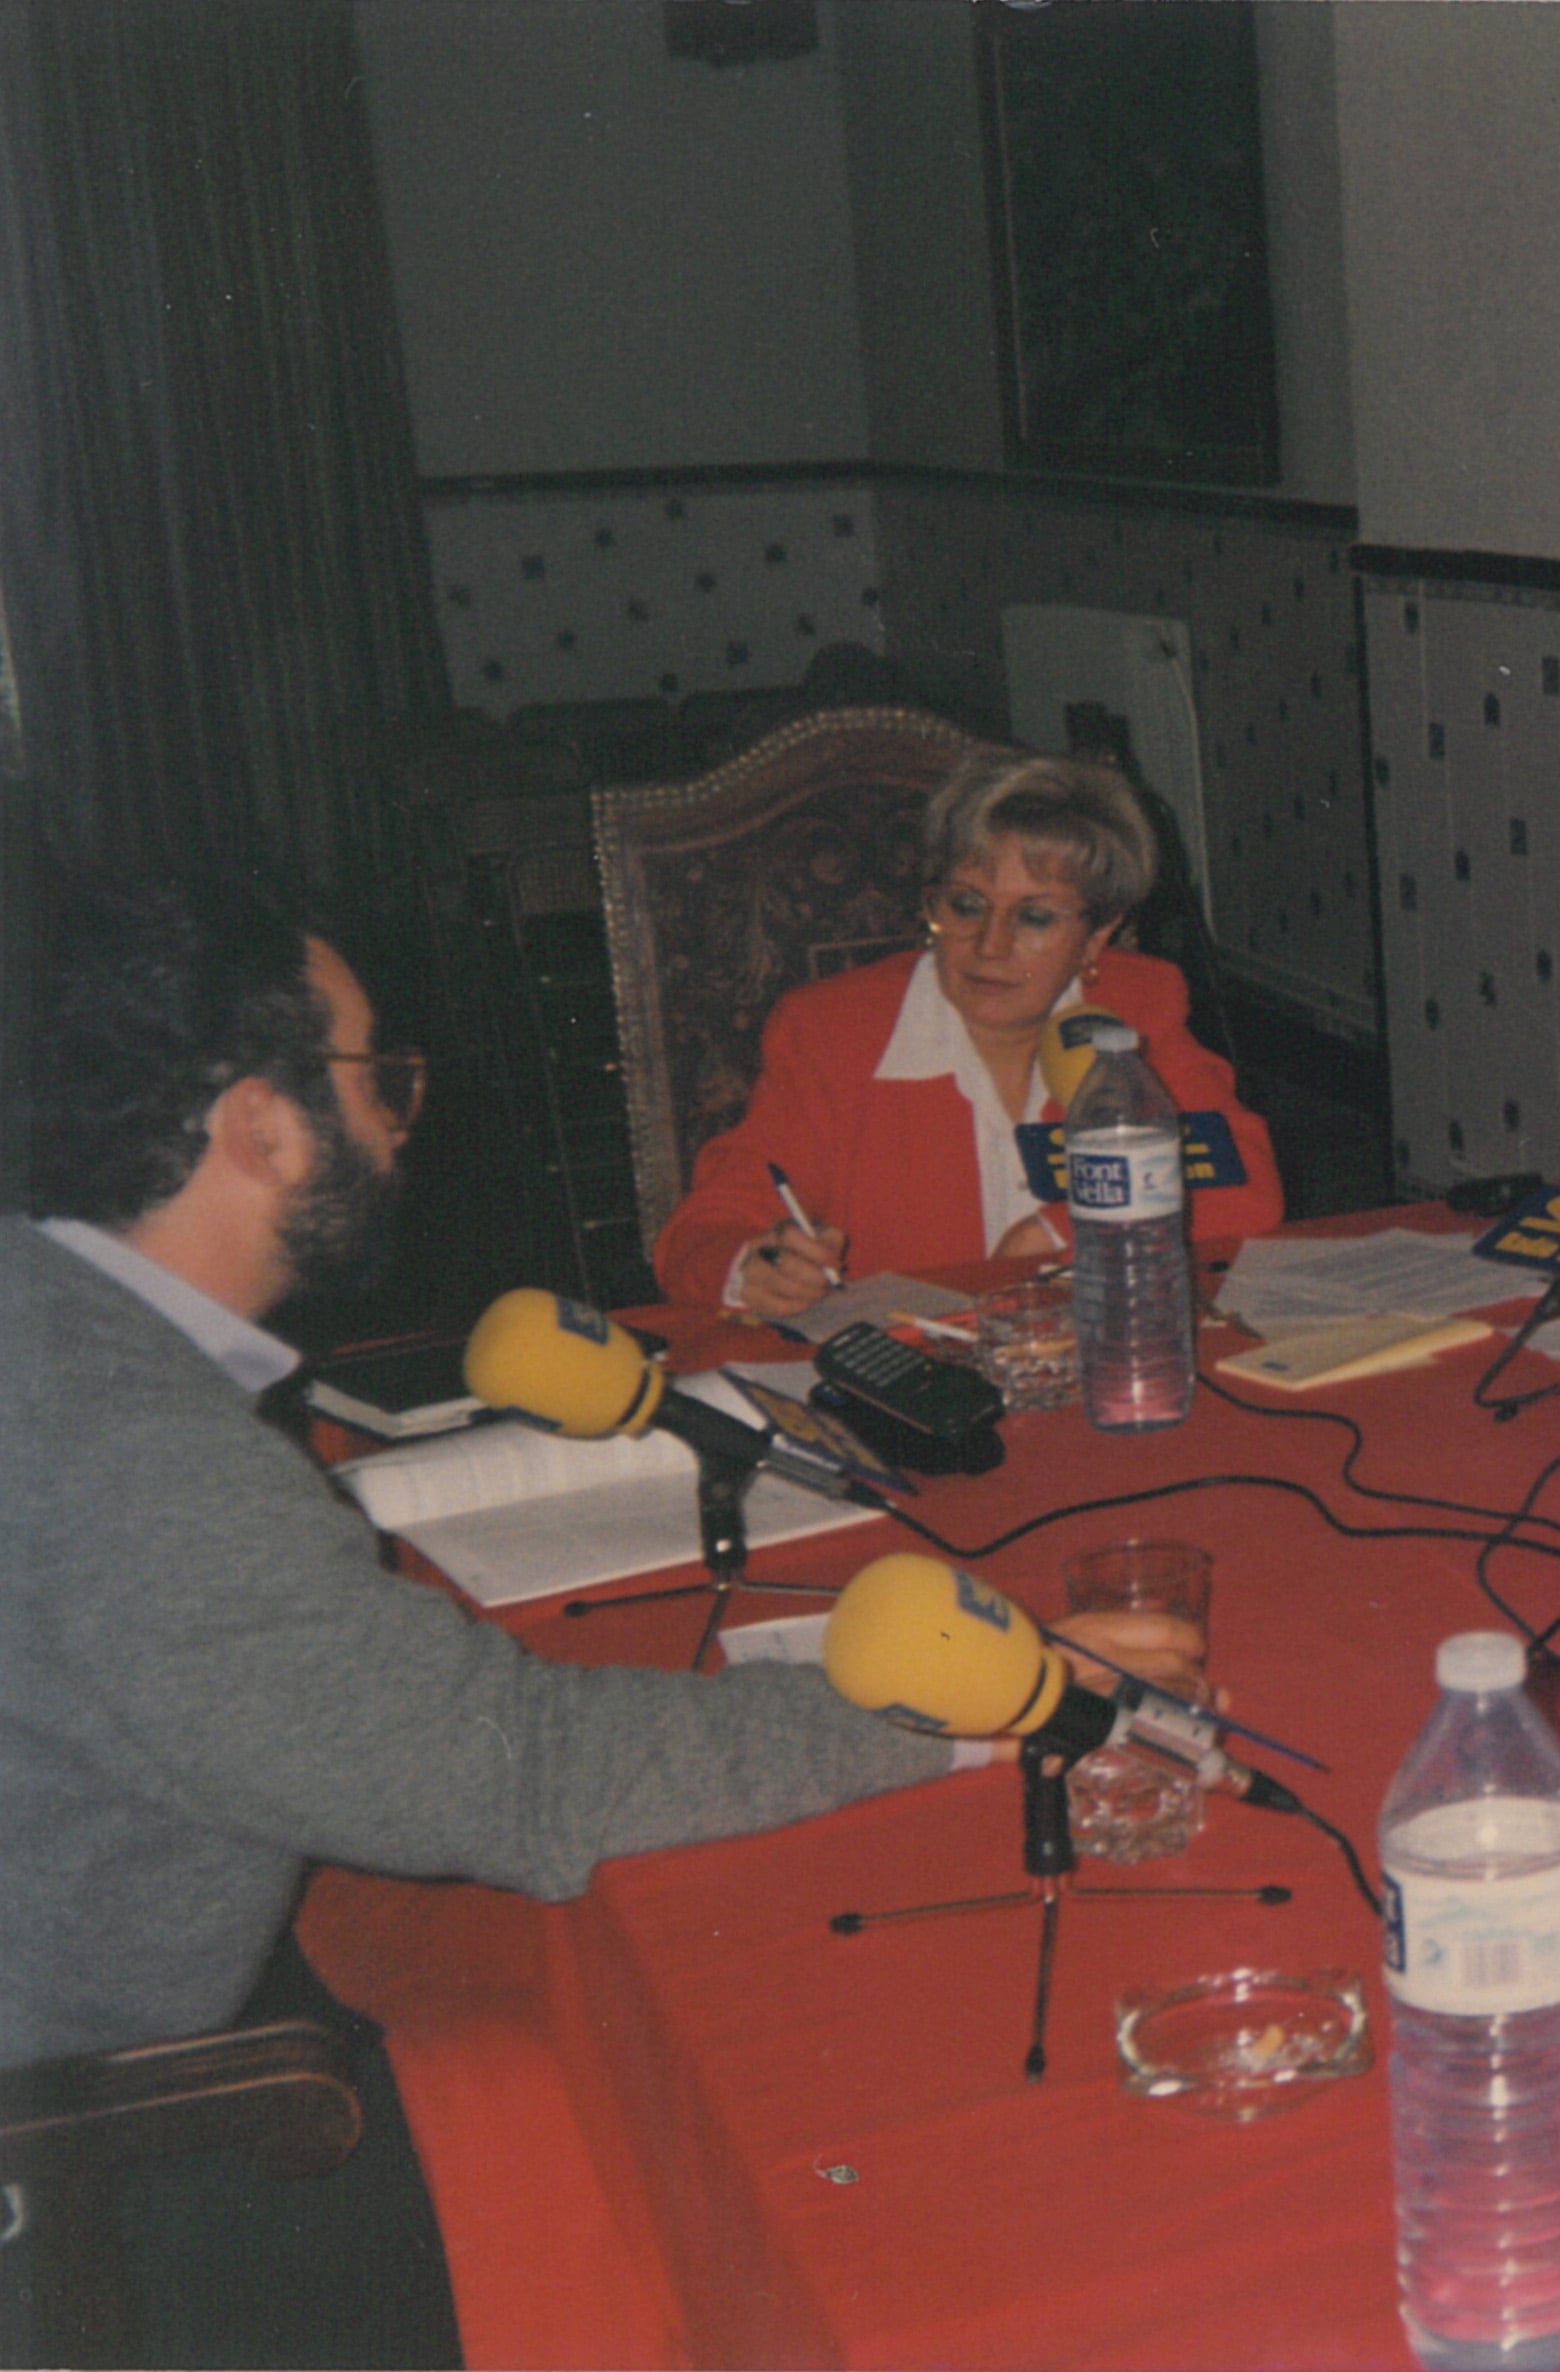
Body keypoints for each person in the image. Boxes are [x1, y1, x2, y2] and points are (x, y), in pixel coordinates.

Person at [0, 874, 1202, 2365]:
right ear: (262, 1125)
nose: (403, 1116)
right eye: (381, 1076)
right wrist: (977, 1701)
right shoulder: (132, 1453)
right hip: (97, 2166)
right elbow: (520, 1774)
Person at [649, 747, 1282, 1317]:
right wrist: (752, 1268)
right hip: (920, 1375)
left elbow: (1243, 1184)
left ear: (1096, 936)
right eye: (967, 905)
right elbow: (703, 1230)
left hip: (1095, 1349)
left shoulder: (1135, 1006)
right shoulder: (833, 1031)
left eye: (1034, 917)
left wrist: (1068, 1228)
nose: (990, 945)